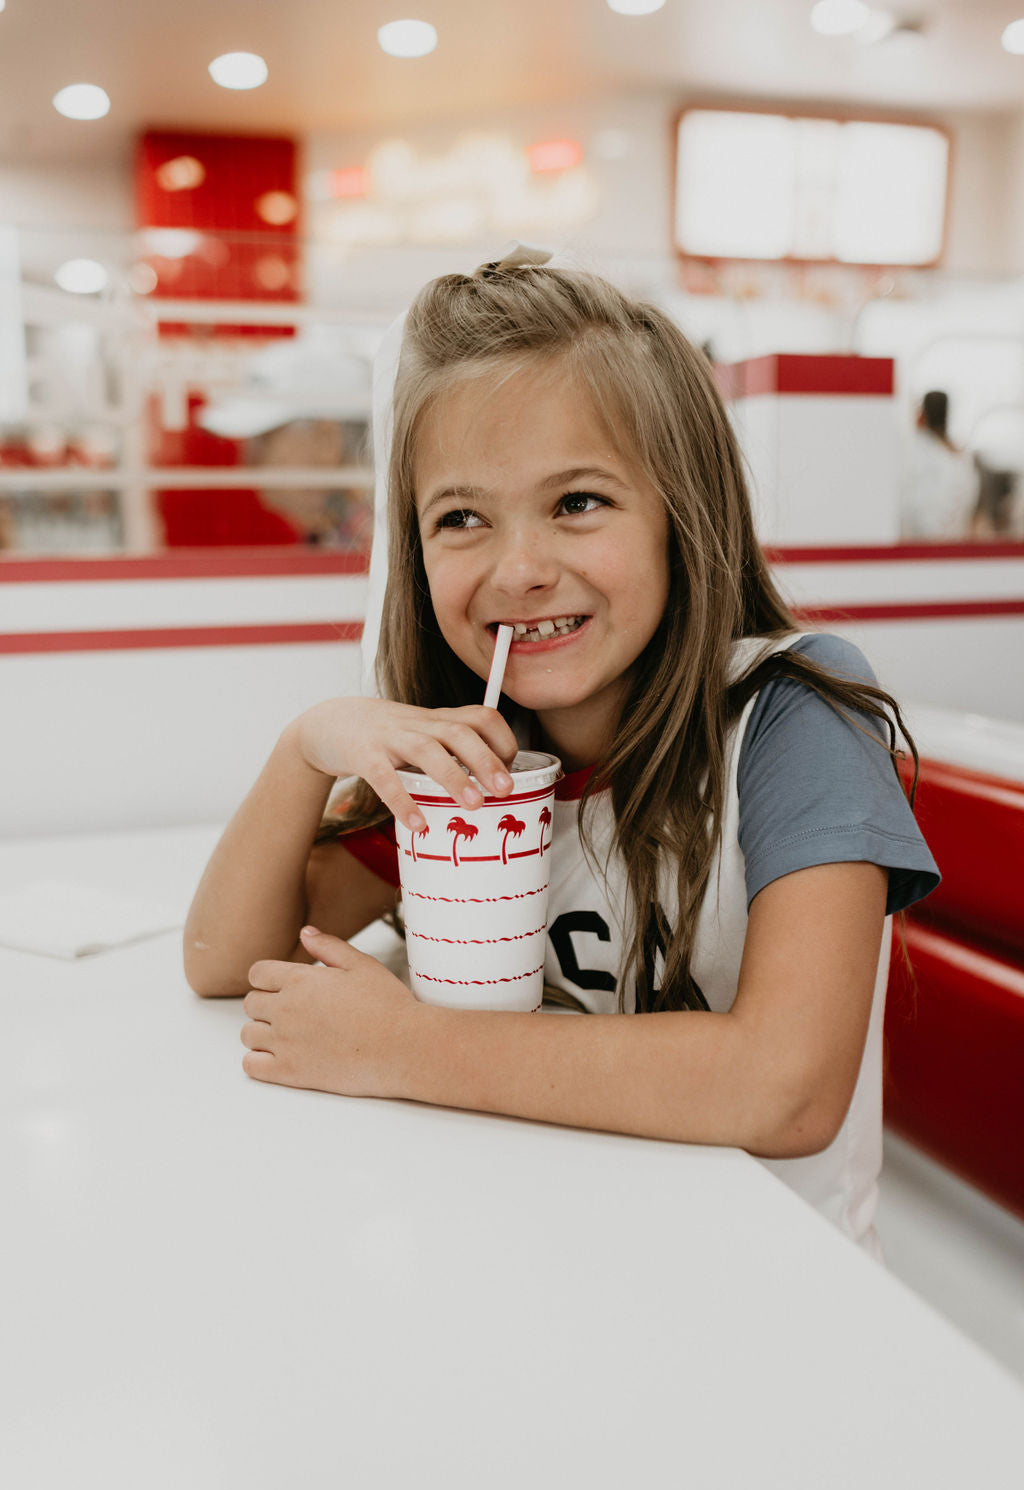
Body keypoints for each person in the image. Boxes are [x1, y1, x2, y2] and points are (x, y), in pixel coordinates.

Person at [184, 250, 939, 1256]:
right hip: (529, 1242)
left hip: (759, 1280)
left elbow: (786, 1086)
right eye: (461, 518)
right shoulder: (473, 753)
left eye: (577, 501)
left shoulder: (792, 713)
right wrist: (304, 750)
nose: (521, 568)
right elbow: (228, 961)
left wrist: (411, 1046)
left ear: (684, 510)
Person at [899, 389, 979, 542]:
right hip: (953, 541)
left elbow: (914, 504)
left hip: (926, 543)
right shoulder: (959, 457)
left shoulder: (920, 451)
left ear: (922, 414)